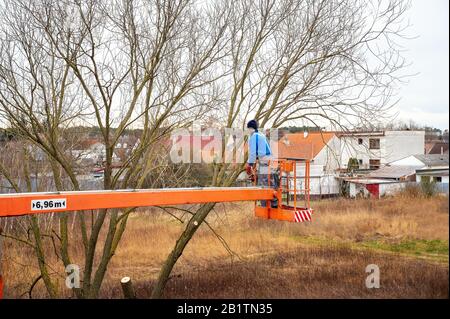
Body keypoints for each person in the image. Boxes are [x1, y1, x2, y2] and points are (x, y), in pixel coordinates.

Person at [245, 119, 278, 208]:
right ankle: (274, 204)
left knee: (263, 183)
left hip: (264, 160)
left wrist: (249, 164)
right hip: (270, 159)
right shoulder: (261, 135)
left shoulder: (254, 136)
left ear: (250, 128)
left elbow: (252, 153)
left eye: (248, 128)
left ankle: (265, 206)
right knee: (271, 181)